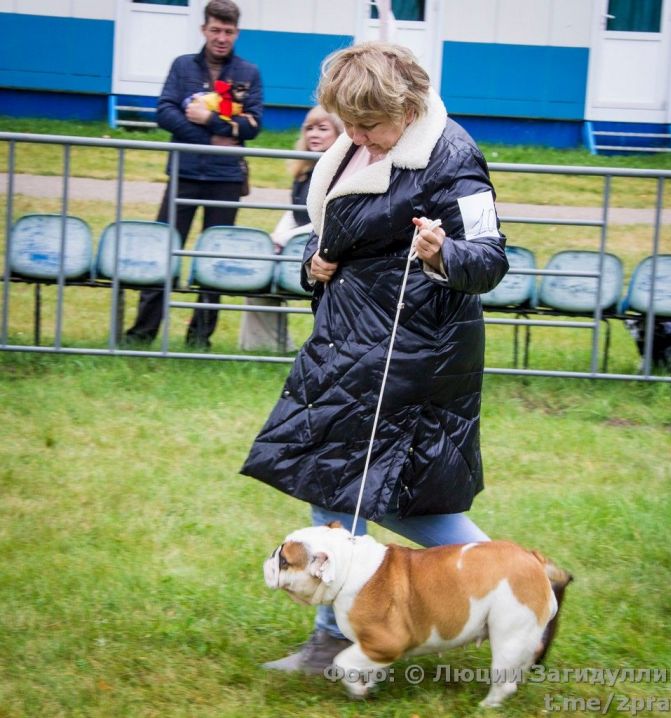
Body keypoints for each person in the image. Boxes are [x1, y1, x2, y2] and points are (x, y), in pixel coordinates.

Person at [242, 42, 514, 673]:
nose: (356, 136)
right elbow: (336, 240)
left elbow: (491, 258)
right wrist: (314, 268)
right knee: (368, 492)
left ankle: (346, 634)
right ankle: (510, 588)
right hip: (350, 344)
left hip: (411, 354)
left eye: (368, 125)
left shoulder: (453, 160)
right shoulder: (354, 147)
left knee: (360, 491)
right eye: (348, 123)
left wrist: (443, 253)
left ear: (408, 105)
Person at [124, 0, 263, 349]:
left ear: (237, 33)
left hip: (226, 178)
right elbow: (164, 113)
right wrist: (213, 136)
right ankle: (142, 332)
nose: (221, 38)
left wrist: (212, 120)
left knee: (213, 255)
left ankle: (200, 336)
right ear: (204, 29)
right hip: (184, 172)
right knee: (163, 249)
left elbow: (254, 125)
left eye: (228, 32)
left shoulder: (248, 73)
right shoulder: (182, 67)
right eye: (215, 30)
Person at [238, 106, 343, 352]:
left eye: (323, 128)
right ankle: (266, 347)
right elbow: (294, 213)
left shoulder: (338, 172)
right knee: (259, 276)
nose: (314, 134)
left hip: (318, 251)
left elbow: (325, 220)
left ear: (339, 133)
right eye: (309, 129)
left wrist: (286, 239)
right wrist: (276, 237)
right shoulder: (303, 172)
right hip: (295, 245)